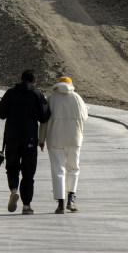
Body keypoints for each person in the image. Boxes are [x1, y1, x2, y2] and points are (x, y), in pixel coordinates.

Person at [0, 69, 51, 215]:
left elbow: (0, 113)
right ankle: (26, 206)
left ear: (20, 78)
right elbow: (44, 116)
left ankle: (14, 190)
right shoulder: (38, 95)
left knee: (12, 167)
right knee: (28, 173)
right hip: (30, 140)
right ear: (35, 81)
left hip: (12, 139)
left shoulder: (10, 93)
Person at [39, 76, 89, 214]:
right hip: (74, 139)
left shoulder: (51, 98)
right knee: (73, 168)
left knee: (58, 170)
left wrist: (41, 139)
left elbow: (44, 120)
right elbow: (84, 116)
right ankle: (71, 200)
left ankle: (60, 204)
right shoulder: (77, 98)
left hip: (55, 139)